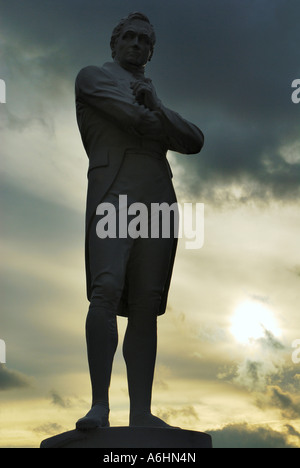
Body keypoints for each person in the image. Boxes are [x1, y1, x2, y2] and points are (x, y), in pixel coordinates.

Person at [75, 12, 204, 429]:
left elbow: (195, 140)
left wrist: (159, 110)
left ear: (151, 51)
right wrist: (157, 119)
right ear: (115, 44)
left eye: (144, 40)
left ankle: (142, 413)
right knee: (106, 290)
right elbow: (132, 118)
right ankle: (99, 406)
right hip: (115, 189)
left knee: (146, 304)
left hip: (157, 198)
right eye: (128, 37)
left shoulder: (152, 93)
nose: (136, 44)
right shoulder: (93, 77)